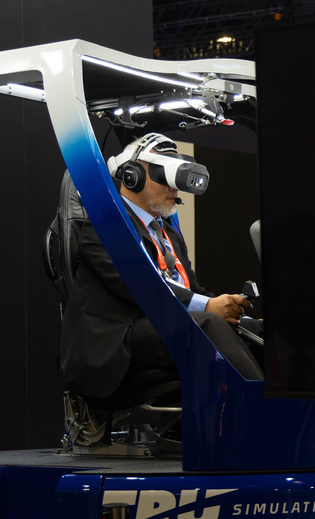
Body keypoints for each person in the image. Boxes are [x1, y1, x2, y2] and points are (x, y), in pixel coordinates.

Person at [59, 132, 263, 399]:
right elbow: (139, 285)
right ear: (133, 175)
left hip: (161, 331)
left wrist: (237, 315)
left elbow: (193, 290)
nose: (174, 188)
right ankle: (266, 415)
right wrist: (209, 308)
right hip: (117, 343)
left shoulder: (169, 233)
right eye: (164, 175)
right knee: (207, 324)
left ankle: (304, 410)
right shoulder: (105, 225)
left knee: (256, 329)